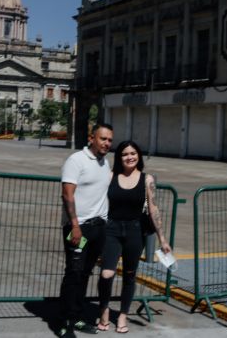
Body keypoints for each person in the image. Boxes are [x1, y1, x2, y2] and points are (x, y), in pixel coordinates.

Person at [96, 140, 172, 334]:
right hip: (111, 229)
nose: (129, 157)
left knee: (130, 275)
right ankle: (103, 309)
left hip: (135, 230)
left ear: (138, 155)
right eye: (124, 154)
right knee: (107, 273)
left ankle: (122, 315)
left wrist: (162, 239)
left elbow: (153, 209)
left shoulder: (147, 180)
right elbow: (97, 202)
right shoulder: (111, 176)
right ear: (119, 157)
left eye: (133, 153)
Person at [59, 123, 114, 338]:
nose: (107, 143)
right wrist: (74, 226)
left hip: (98, 229)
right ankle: (64, 322)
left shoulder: (104, 163)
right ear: (91, 138)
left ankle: (77, 317)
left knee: (84, 274)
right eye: (103, 139)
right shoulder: (76, 160)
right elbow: (67, 194)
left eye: (110, 140)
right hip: (78, 228)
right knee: (73, 273)